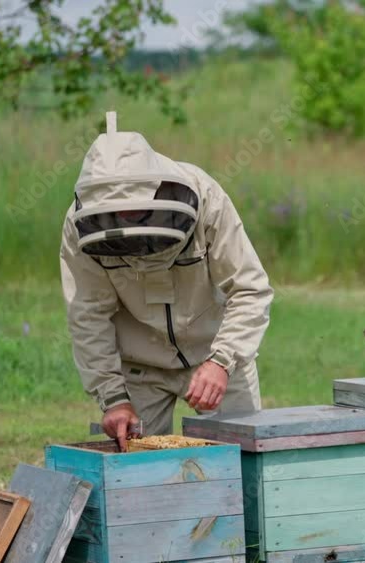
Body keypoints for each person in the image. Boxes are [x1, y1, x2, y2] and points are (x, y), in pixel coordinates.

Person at [60, 112, 273, 450]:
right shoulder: (80, 226)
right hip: (140, 369)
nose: (125, 216)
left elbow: (250, 288)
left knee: (243, 464)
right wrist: (113, 398)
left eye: (134, 208)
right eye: (115, 211)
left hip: (216, 355)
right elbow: (88, 314)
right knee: (140, 474)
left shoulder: (205, 196)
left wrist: (222, 361)